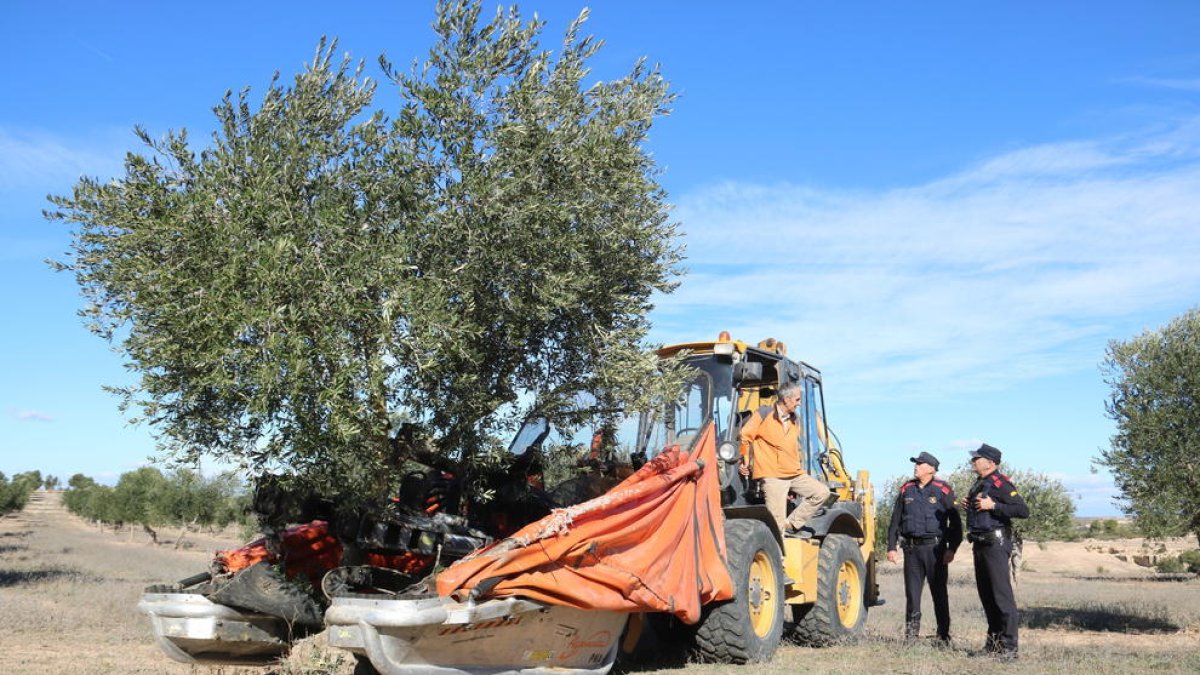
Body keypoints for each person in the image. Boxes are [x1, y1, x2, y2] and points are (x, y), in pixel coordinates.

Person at [886, 451, 962, 644]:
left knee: (939, 594)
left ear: (931, 469)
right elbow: (895, 521)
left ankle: (943, 637)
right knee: (912, 595)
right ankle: (911, 637)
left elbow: (955, 523)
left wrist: (952, 549)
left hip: (935, 550)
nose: (916, 466)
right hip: (911, 550)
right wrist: (891, 547)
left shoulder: (942, 489)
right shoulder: (907, 489)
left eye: (920, 464)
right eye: (916, 463)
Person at [962, 443, 1029, 660]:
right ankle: (993, 645)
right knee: (988, 597)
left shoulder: (1001, 483)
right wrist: (969, 506)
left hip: (996, 544)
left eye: (977, 458)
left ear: (990, 463)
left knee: (1001, 596)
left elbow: (1022, 510)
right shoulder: (979, 483)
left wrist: (994, 506)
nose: (973, 461)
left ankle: (1009, 648)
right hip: (980, 544)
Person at [738, 382, 830, 537]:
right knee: (776, 525)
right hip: (773, 476)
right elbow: (745, 437)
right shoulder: (763, 414)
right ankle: (779, 549)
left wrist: (793, 485)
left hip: (794, 473)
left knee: (822, 492)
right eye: (797, 399)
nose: (799, 403)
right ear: (786, 400)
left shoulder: (795, 420)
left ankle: (792, 522)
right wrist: (744, 461)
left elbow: (794, 449)